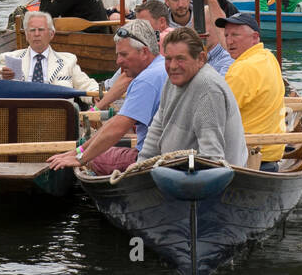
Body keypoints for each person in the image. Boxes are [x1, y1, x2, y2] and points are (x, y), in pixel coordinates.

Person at [47, 21, 166, 175]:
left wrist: (80, 158)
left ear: (144, 52)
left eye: (124, 54)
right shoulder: (162, 65)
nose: (118, 61)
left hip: (151, 159)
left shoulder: (146, 80)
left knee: (96, 159)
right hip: (166, 152)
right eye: (118, 55)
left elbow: (117, 127)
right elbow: (115, 125)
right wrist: (80, 149)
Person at [136, 27, 248, 166]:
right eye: (168, 59)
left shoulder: (207, 88)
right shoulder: (172, 81)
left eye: (180, 59)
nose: (173, 66)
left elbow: (212, 158)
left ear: (201, 59)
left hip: (207, 180)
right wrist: (140, 164)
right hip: (175, 171)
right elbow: (156, 130)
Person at [216, 12, 286, 170]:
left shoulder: (241, 69)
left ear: (255, 37)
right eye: (226, 35)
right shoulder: (268, 57)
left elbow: (217, 116)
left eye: (235, 35)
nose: (229, 41)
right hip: (271, 153)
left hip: (248, 158)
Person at [0, 12, 99, 97]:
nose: (36, 34)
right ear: (27, 35)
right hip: (20, 115)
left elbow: (86, 85)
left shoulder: (68, 61)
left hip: (58, 115)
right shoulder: (10, 59)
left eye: (41, 30)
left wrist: (97, 96)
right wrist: (2, 77)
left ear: (51, 34)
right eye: (32, 30)